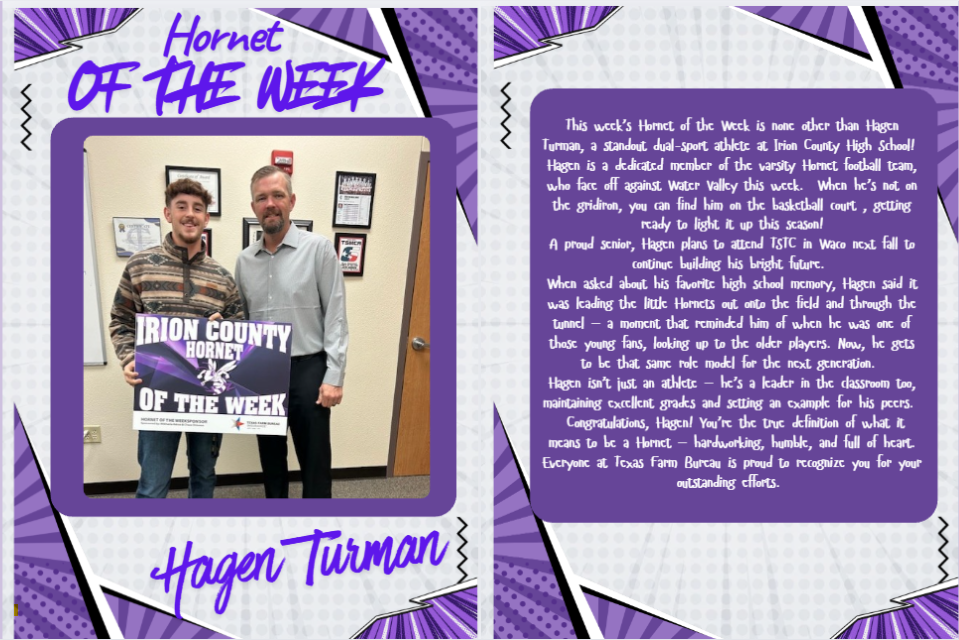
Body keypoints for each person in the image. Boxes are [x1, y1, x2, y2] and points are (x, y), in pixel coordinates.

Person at [109, 179, 245, 499]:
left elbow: (241, 333)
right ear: (167, 213)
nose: (190, 214)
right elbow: (121, 320)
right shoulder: (140, 265)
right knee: (153, 483)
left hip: (207, 394)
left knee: (204, 474)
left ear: (206, 218)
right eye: (181, 206)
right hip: (157, 389)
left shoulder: (223, 278)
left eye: (198, 208)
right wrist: (130, 359)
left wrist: (225, 330)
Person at [234, 166, 349, 499]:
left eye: (277, 195)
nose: (270, 204)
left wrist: (335, 375)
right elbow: (242, 320)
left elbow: (336, 316)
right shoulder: (244, 261)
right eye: (261, 198)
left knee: (314, 462)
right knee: (270, 461)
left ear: (292, 201)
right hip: (261, 370)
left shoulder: (319, 250)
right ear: (253, 206)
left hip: (308, 369)